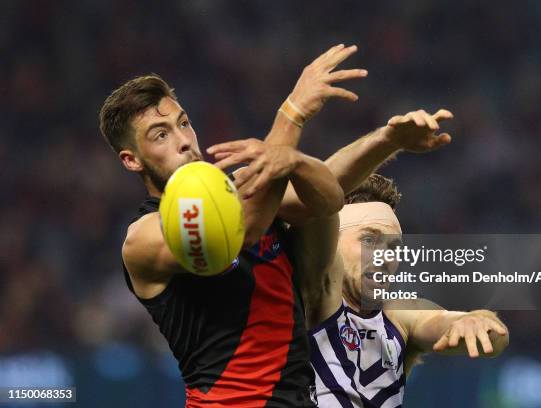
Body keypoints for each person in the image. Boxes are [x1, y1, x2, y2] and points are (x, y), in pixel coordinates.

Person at [98, 44, 366, 407]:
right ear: (131, 160)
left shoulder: (242, 188)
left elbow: (327, 200)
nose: (183, 141)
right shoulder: (143, 239)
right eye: (160, 135)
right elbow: (243, 229)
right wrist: (292, 114)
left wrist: (301, 160)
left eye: (183, 123)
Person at [297, 110, 509, 407]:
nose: (384, 256)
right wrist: (385, 141)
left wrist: (475, 321)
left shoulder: (397, 315)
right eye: (368, 240)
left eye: (394, 247)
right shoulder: (309, 295)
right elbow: (319, 195)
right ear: (331, 243)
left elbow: (457, 325)